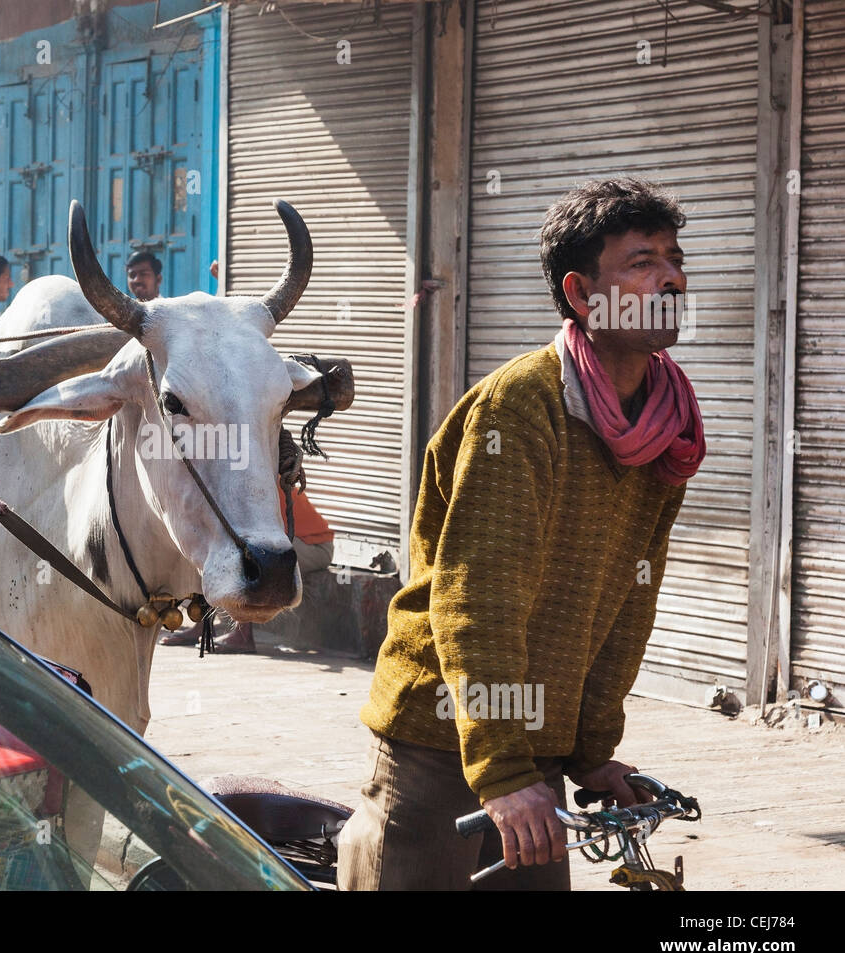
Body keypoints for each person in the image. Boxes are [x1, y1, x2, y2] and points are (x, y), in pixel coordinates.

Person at [337, 176, 705, 891]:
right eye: (641, 262)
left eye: (674, 257)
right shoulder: (522, 406)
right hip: (443, 734)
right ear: (580, 294)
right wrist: (502, 772)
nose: (671, 277)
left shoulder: (666, 422)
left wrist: (593, 749)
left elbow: (629, 601)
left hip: (540, 741)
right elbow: (480, 603)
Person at [160, 486, 334, 654]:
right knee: (211, 549)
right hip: (300, 542)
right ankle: (202, 627)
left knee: (246, 555)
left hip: (315, 547)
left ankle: (243, 637)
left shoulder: (255, 484)